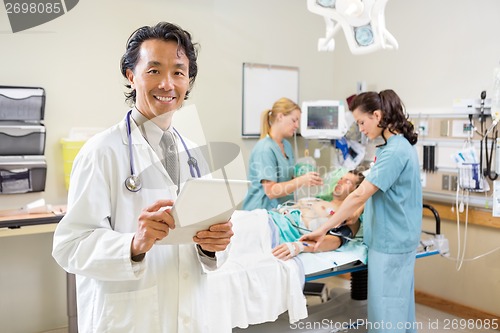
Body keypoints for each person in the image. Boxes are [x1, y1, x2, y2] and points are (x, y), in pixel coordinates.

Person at [52, 22, 233, 333]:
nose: (167, 83)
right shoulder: (101, 152)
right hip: (129, 318)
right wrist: (133, 244)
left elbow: (208, 244)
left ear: (188, 81)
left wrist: (212, 245)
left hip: (189, 314)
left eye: (178, 72)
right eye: (154, 70)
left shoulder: (194, 153)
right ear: (131, 76)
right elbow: (70, 246)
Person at [300, 90, 422, 333]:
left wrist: (324, 228)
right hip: (396, 238)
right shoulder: (394, 147)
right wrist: (358, 209)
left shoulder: (394, 151)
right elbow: (382, 192)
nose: (361, 129)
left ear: (377, 115)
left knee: (387, 314)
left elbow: (359, 194)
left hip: (391, 243)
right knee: (399, 309)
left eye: (362, 122)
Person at [242, 97, 323, 211]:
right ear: (280, 117)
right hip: (260, 213)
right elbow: (271, 191)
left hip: (281, 210)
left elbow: (286, 177)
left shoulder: (286, 145)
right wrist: (301, 180)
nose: (297, 125)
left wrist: (306, 177)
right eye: (294, 120)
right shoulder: (264, 149)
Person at [271, 169, 365, 260]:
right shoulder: (319, 200)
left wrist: (299, 246)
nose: (340, 182)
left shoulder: (349, 217)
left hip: (278, 230)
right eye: (341, 179)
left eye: (347, 182)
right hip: (271, 217)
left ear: (356, 190)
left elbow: (336, 240)